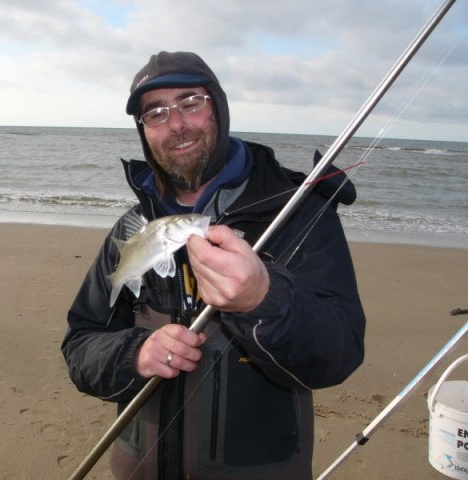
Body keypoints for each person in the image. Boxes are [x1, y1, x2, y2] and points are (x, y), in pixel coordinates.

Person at [61, 51, 365, 480]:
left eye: (191, 102)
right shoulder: (133, 230)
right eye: (156, 113)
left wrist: (266, 298)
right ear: (144, 131)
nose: (177, 124)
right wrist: (136, 354)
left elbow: (340, 355)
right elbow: (81, 345)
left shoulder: (296, 210)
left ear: (218, 110)